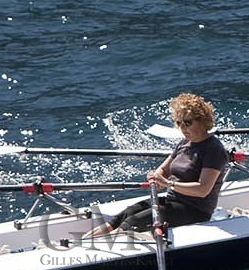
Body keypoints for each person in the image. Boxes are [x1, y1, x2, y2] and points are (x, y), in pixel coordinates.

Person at [87, 93, 229, 235]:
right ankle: (82, 242)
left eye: (187, 123)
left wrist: (168, 184)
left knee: (133, 222)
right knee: (126, 214)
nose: (183, 128)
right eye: (179, 123)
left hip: (195, 210)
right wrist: (156, 176)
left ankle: (107, 245)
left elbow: (202, 189)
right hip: (172, 201)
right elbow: (163, 169)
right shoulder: (184, 144)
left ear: (202, 121)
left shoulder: (214, 149)